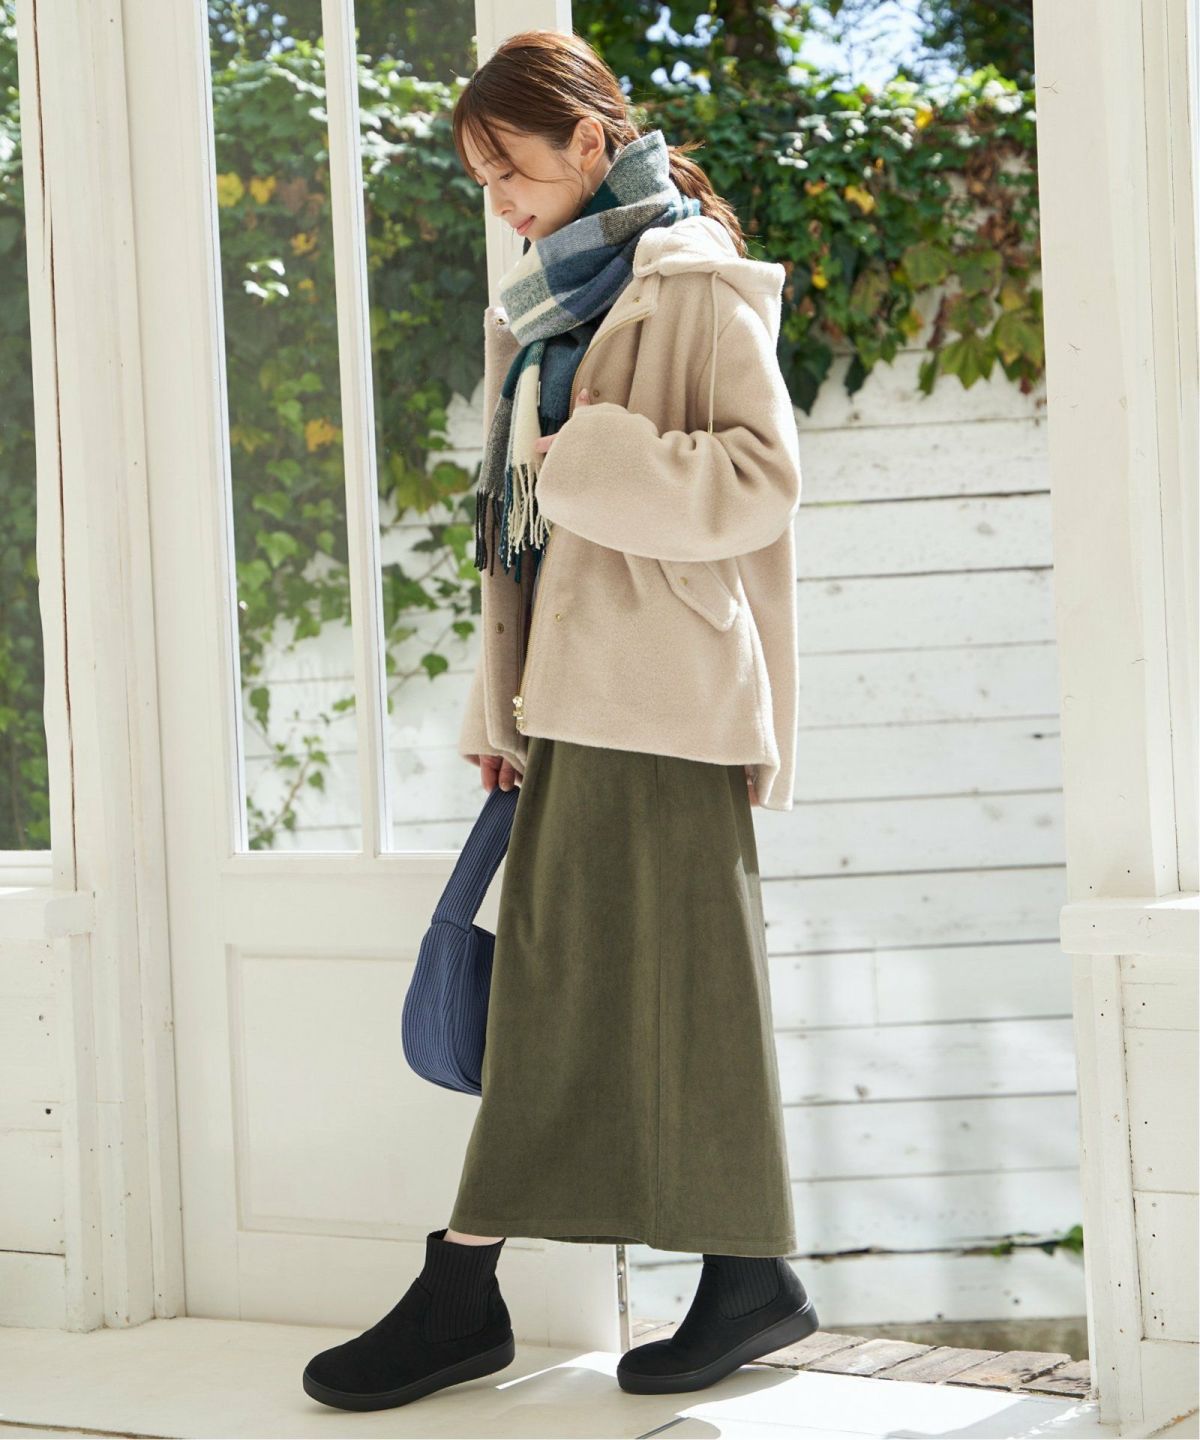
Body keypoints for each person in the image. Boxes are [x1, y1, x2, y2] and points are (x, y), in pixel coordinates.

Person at [302, 28, 816, 1414]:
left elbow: (762, 480)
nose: (504, 205)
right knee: (583, 988)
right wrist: (501, 702)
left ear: (591, 141)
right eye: (485, 182)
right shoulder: (541, 310)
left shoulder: (694, 285)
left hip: (667, 696)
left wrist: (590, 459)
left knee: (639, 990)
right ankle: (731, 1276)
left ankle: (473, 1289)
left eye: (514, 171)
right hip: (569, 701)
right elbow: (516, 540)